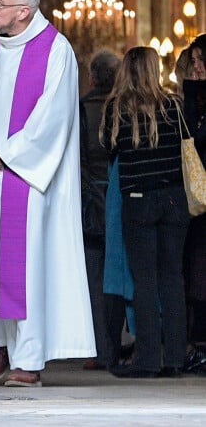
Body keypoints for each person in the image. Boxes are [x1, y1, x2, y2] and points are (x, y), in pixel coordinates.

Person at [0, 0, 95, 388]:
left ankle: (27, 359)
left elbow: (53, 119)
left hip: (27, 180)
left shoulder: (56, 51)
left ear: (25, 10)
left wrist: (6, 154)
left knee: (24, 269)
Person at [100, 46, 190, 378]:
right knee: (172, 277)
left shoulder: (117, 108)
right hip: (174, 199)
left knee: (145, 279)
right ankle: (175, 358)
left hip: (138, 199)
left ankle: (148, 358)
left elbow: (109, 148)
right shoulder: (175, 106)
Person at [80, 50, 126, 370]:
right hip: (120, 197)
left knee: (95, 278)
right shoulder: (123, 110)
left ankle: (102, 349)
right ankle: (118, 342)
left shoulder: (80, 111)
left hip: (89, 199)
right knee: (120, 273)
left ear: (93, 78)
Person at [181, 34, 206, 372]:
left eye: (201, 61)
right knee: (197, 271)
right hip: (199, 203)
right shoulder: (195, 100)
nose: (196, 68)